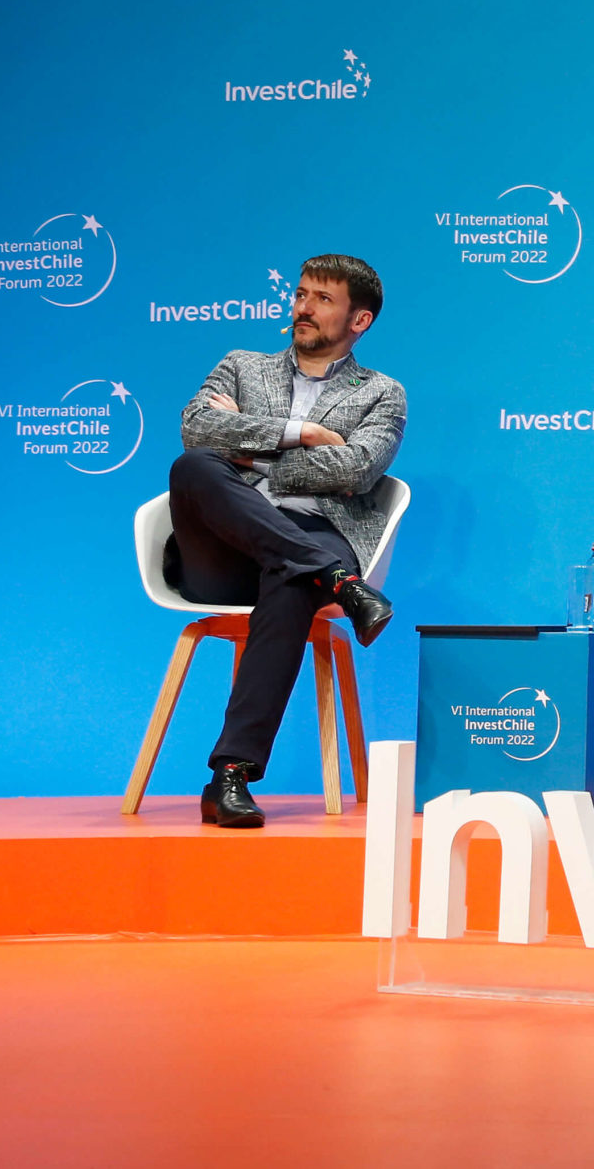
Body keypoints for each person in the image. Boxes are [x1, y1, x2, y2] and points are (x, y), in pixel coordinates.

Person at [168, 254, 405, 830]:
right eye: (301, 294)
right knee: (195, 468)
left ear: (359, 320)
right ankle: (338, 581)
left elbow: (357, 470)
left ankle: (230, 776)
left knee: (293, 575)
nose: (303, 307)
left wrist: (250, 456)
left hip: (316, 532)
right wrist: (304, 434)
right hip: (223, 550)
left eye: (323, 299)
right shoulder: (241, 366)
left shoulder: (381, 393)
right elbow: (197, 430)